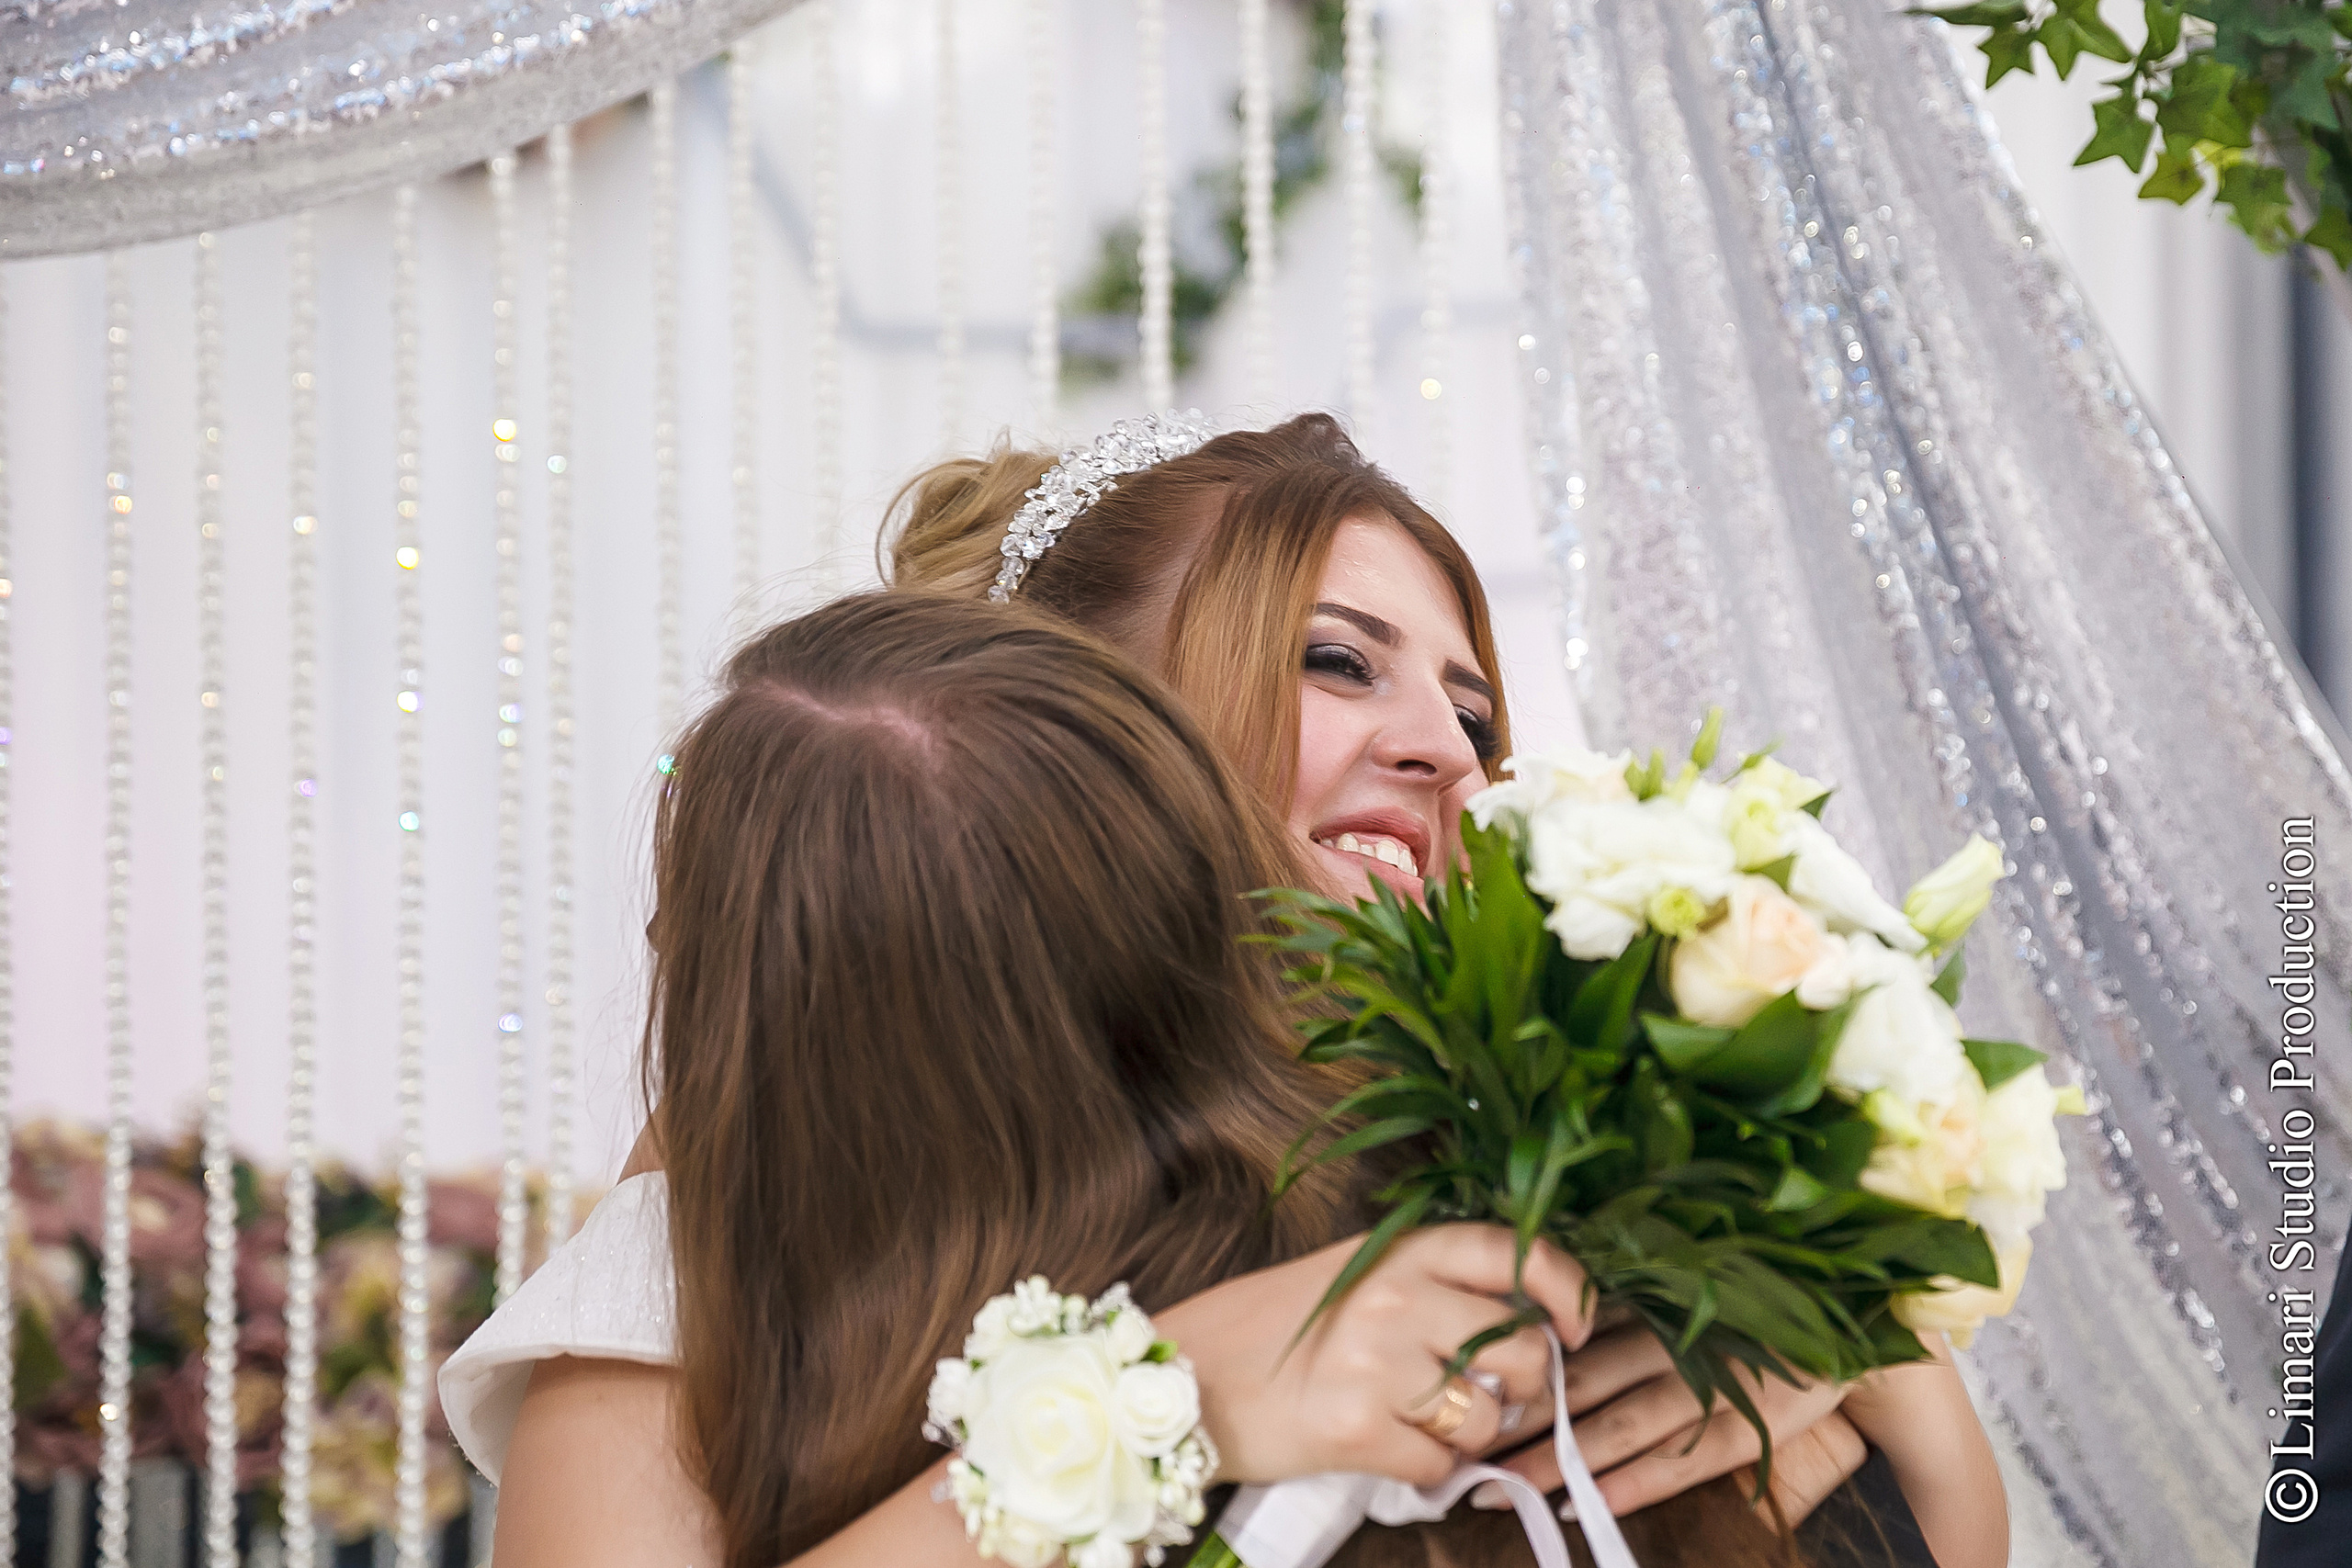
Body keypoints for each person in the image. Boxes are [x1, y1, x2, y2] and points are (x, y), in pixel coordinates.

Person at [444, 416, 2003, 1567]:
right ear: (1069, 707)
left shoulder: (1550, 1148)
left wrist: (1856, 1350)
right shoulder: (754, 1199)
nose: (1450, 753)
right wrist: (1166, 1404)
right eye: (1339, 662)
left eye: (1475, 713)